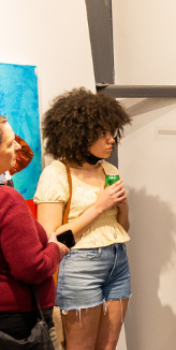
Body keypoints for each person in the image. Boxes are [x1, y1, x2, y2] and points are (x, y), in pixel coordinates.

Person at [34, 88, 132, 350]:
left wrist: (123, 208)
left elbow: (121, 228)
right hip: (79, 265)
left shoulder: (108, 169)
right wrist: (98, 207)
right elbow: (50, 236)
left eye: (112, 132)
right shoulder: (57, 173)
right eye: (103, 134)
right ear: (79, 135)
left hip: (118, 260)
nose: (112, 140)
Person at [0, 115, 70, 341]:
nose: (18, 147)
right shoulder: (7, 199)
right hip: (16, 324)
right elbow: (31, 268)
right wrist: (54, 249)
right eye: (10, 144)